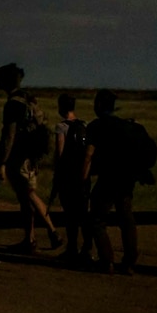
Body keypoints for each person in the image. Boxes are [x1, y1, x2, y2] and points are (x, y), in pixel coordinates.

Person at [0, 63, 62, 252]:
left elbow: (9, 136)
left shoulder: (13, 104)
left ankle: (51, 231)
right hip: (31, 156)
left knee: (28, 195)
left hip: (19, 157)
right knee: (26, 197)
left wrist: (2, 162)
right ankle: (30, 239)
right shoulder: (27, 99)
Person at [83, 88, 139, 274]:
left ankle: (106, 260)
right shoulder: (125, 126)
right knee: (126, 219)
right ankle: (130, 262)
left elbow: (89, 155)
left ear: (99, 105)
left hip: (107, 179)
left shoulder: (96, 126)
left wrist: (83, 177)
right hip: (126, 178)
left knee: (97, 219)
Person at [51, 92, 91, 263]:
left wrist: (57, 174)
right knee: (83, 213)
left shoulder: (61, 127)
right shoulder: (84, 125)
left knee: (70, 215)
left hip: (68, 176)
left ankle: (72, 248)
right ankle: (87, 249)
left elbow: (60, 153)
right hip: (83, 175)